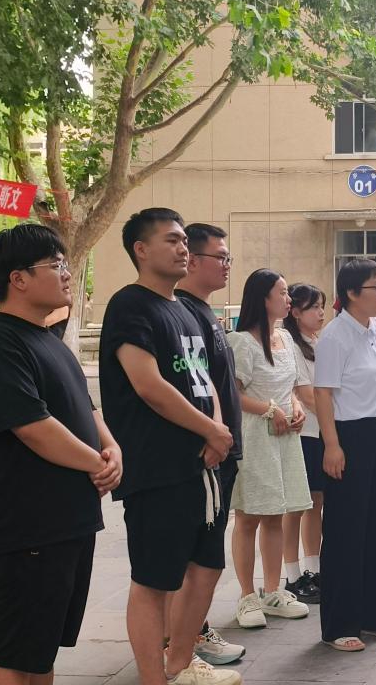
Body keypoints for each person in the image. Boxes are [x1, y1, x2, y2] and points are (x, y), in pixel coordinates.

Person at [0, 224, 122, 685]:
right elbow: (33, 426)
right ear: (18, 279)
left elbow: (85, 409)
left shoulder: (49, 340)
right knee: (13, 656)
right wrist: (96, 463)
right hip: (25, 527)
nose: (67, 273)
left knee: (39, 652)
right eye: (55, 265)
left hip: (66, 523)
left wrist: (111, 448)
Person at [99, 208, 238, 685]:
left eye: (184, 240)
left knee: (207, 566)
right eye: (172, 240)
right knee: (155, 579)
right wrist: (209, 431)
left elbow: (205, 379)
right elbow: (148, 385)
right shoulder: (129, 305)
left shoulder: (184, 309)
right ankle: (152, 677)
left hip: (202, 465)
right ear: (141, 249)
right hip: (157, 467)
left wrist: (216, 429)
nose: (183, 248)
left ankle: (180, 663)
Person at [314, 259, 376, 652]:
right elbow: (323, 393)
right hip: (349, 435)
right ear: (351, 293)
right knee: (346, 530)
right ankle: (340, 624)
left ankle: (373, 614)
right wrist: (332, 445)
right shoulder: (335, 336)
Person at [174, 223, 246, 666]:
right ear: (193, 261)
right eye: (221, 257)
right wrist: (210, 433)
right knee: (193, 556)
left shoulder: (203, 312)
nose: (226, 266)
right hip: (206, 452)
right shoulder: (184, 312)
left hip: (222, 448)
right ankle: (183, 640)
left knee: (205, 553)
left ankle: (190, 633)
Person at [227, 270, 311, 628]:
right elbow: (233, 395)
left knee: (277, 515)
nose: (288, 299)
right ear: (263, 298)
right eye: (282, 292)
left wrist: (296, 407)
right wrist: (270, 410)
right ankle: (247, 596)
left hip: (285, 437)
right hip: (255, 436)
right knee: (248, 517)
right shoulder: (241, 341)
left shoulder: (286, 338)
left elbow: (290, 387)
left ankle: (273, 591)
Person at [282, 282, 327, 601]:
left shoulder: (318, 342)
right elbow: (306, 394)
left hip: (322, 432)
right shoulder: (291, 344)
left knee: (316, 502)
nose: (321, 313)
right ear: (296, 312)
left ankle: (314, 568)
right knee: (296, 506)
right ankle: (292, 574)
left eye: (322, 306)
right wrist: (334, 417)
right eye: (314, 307)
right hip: (305, 433)